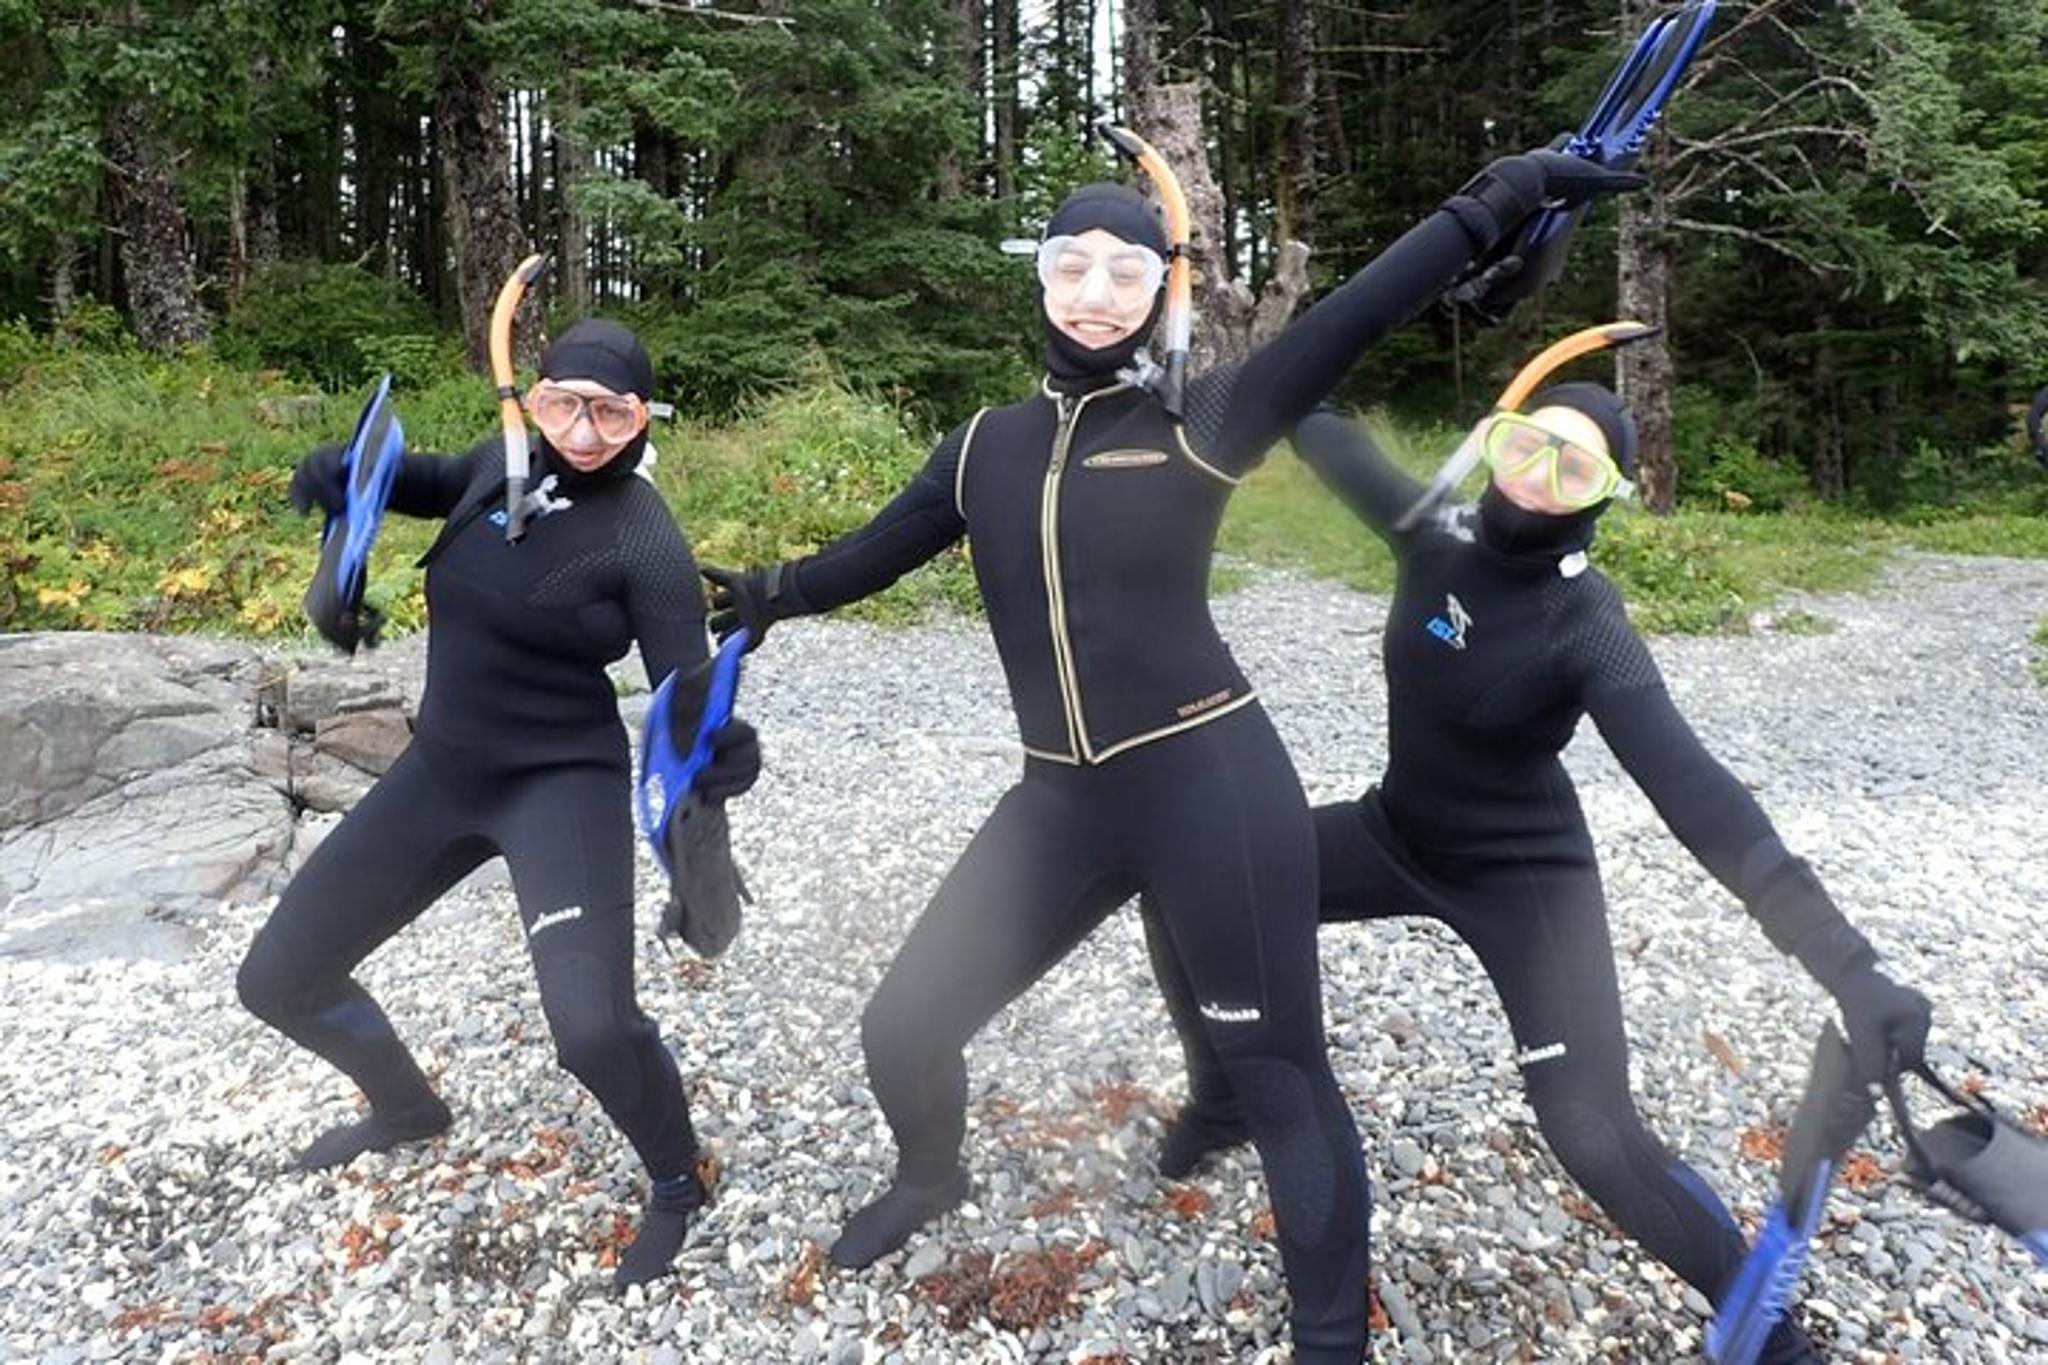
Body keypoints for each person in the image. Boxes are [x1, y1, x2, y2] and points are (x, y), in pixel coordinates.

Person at [700, 150, 1642, 1362]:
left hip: (1210, 784)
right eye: (1069, 266)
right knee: (902, 1027)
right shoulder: (983, 444)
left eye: (1123, 271)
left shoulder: (1202, 422)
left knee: (1278, 1075)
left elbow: (1358, 311)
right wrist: (773, 592)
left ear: (1160, 288)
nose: (1093, 292)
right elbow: (878, 552)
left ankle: (1326, 1339)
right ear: (1039, 279)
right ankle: (929, 1176)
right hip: (1060, 800)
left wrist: (1499, 199)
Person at [1142, 378, 1934, 1363]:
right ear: (1492, 440)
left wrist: (1849, 967)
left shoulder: (1584, 622)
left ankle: (1765, 1336)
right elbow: (1310, 412)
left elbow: (1697, 794)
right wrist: (1201, 388)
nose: (1537, 476)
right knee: (1182, 877)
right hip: (1395, 831)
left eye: (1575, 466)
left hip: (1523, 878)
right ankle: (1219, 1096)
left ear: (1607, 491)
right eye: (1525, 445)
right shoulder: (1427, 533)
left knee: (1594, 1138)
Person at [237, 320, 760, 1287]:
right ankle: (404, 1109)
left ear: (648, 419)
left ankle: (678, 1181)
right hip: (443, 769)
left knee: (594, 1029)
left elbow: (686, 686)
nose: (589, 431)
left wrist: (722, 758)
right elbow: (426, 480)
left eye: (616, 413)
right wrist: (345, 477)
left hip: (561, 781)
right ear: (534, 396)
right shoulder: (500, 462)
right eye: (566, 404)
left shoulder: (645, 538)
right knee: (277, 979)